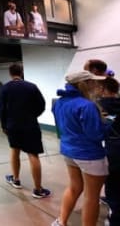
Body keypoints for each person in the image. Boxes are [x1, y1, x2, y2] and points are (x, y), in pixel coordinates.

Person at [51, 71, 108, 226]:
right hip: (89, 155)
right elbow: (95, 135)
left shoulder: (59, 102)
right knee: (92, 196)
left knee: (74, 187)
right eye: (93, 81)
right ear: (84, 84)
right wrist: (108, 125)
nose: (96, 85)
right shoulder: (87, 105)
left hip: (69, 151)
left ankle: (61, 221)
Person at [0, 63, 50, 199]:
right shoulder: (31, 87)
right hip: (30, 125)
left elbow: (1, 109)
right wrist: (32, 116)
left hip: (12, 126)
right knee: (33, 154)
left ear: (10, 73)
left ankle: (16, 180)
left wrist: (4, 125)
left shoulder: (4, 88)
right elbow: (42, 105)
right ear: (21, 72)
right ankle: (38, 189)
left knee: (14, 150)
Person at [97, 77, 120, 226]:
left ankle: (115, 219)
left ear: (103, 90)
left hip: (112, 151)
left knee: (112, 185)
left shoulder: (98, 107)